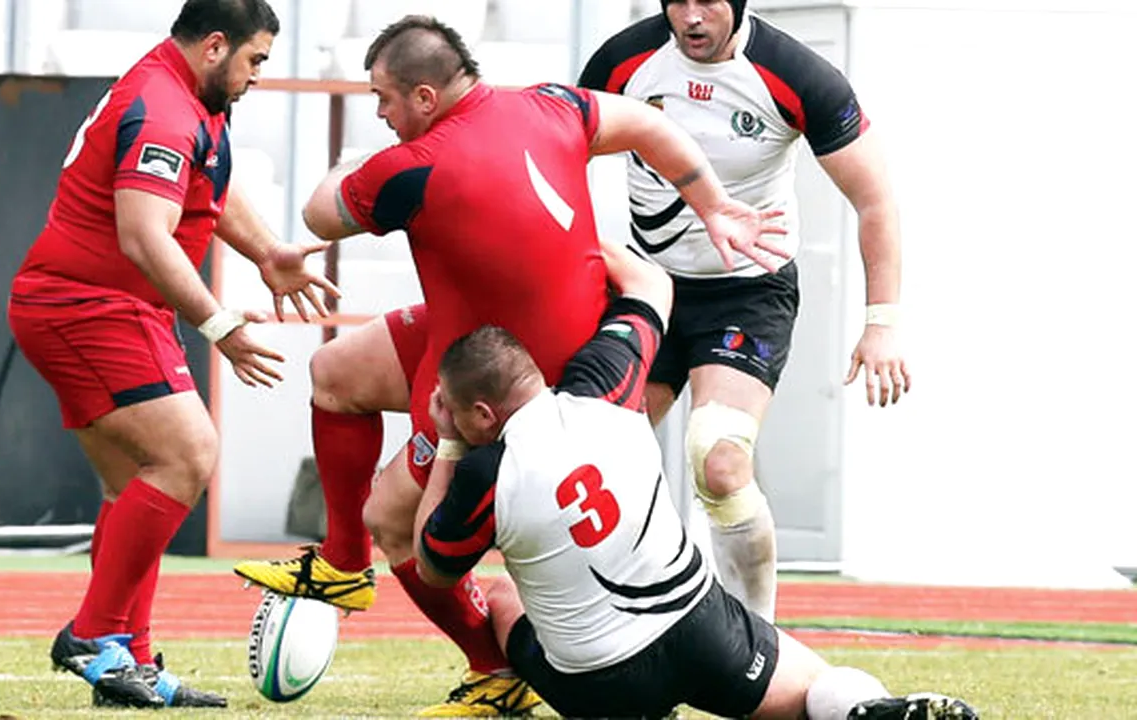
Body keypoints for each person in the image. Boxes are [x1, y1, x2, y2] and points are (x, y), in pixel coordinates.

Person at [232, 14, 787, 716]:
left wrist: (360, 167)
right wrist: (713, 205)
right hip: (498, 338)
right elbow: (653, 127)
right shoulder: (554, 103)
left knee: (395, 521)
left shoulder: (412, 166)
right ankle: (343, 565)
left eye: (385, 99)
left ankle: (493, 671)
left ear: (426, 98)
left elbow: (319, 214)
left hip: (512, 379)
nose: (380, 113)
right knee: (337, 373)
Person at [411, 259, 976, 720]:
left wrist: (448, 445)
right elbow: (652, 284)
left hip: (596, 685)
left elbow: (433, 567)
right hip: (699, 633)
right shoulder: (607, 385)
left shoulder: (486, 472)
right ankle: (866, 711)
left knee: (506, 597)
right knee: (816, 691)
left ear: (483, 414)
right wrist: (560, 238)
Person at [7, 0, 335, 709]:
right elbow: (144, 235)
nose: (257, 77)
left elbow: (208, 178)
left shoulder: (190, 96)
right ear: (215, 46)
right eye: (255, 60)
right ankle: (95, 637)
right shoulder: (163, 106)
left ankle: (132, 660)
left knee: (135, 484)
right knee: (188, 454)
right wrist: (218, 324)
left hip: (107, 307)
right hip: (86, 307)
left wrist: (269, 252)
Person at [576, 0, 913, 624]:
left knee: (719, 459)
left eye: (708, 1)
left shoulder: (797, 73)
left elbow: (875, 200)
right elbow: (556, 156)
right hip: (648, 288)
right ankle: (616, 626)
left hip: (746, 292)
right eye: (678, 1)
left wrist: (882, 322)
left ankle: (756, 642)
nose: (692, 17)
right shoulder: (624, 61)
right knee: (595, 455)